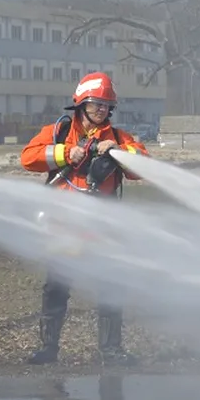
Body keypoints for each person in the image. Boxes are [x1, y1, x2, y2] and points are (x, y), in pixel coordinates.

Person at [19, 72, 148, 365]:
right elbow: (28, 158)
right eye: (96, 104)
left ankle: (111, 351)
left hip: (101, 230)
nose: (102, 110)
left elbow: (143, 164)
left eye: (106, 105)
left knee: (110, 288)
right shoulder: (59, 133)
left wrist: (118, 151)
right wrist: (67, 153)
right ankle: (48, 349)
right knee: (56, 288)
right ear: (81, 105)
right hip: (64, 227)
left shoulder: (117, 138)